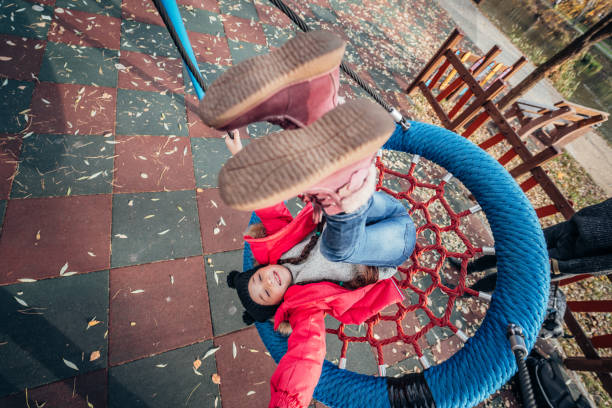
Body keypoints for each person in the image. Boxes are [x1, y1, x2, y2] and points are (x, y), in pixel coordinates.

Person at [199, 30, 416, 408]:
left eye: (259, 277)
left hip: (370, 209)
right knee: (336, 246)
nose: (267, 278)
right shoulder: (306, 312)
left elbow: (271, 209)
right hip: (391, 243)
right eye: (267, 291)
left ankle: (312, 95)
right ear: (279, 304)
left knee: (325, 217)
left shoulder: (278, 248)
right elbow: (306, 355)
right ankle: (334, 178)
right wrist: (286, 403)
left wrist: (239, 155)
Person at [454, 198, 612, 293]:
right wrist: (580, 217)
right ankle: (469, 267)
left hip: (574, 255)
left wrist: (562, 266)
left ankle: (469, 291)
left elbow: (602, 264)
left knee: (516, 272)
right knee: (514, 248)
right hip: (571, 228)